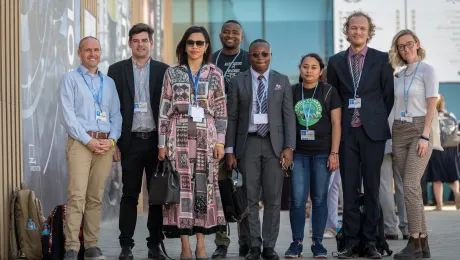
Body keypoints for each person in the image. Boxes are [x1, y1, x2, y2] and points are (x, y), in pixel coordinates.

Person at [327, 11, 394, 259]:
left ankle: (372, 241)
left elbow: (388, 97)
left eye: (362, 29)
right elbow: (333, 98)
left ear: (369, 32)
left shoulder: (382, 59)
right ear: (347, 31)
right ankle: (352, 241)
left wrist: (372, 116)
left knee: (373, 188)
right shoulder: (334, 61)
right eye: (353, 28)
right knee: (350, 188)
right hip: (346, 134)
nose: (357, 32)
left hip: (372, 133)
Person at [157, 26, 227, 260]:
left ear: (207, 46)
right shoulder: (172, 72)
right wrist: (161, 143)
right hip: (178, 138)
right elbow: (165, 109)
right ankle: (185, 245)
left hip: (206, 138)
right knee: (181, 188)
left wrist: (220, 143)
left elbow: (220, 111)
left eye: (199, 43)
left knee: (203, 187)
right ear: (184, 45)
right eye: (190, 43)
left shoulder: (215, 73)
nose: (195, 47)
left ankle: (201, 244)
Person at [226, 39, 296, 260]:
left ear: (270, 55)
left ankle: (269, 246)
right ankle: (254, 245)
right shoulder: (238, 81)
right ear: (250, 57)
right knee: (250, 198)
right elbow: (233, 116)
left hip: (275, 146)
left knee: (274, 198)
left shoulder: (282, 81)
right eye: (256, 55)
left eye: (264, 54)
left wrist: (289, 147)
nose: (260, 58)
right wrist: (229, 150)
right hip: (248, 144)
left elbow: (288, 117)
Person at [107, 23, 169, 260]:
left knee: (156, 196)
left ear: (151, 43)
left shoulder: (165, 71)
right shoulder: (116, 70)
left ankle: (154, 245)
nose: (140, 44)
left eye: (144, 40)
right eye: (136, 40)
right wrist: (115, 143)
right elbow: (112, 108)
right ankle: (126, 246)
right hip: (129, 142)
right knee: (129, 195)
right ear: (130, 43)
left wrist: (166, 143)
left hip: (156, 143)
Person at [58, 36, 122, 260]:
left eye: (96, 50)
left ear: (100, 52)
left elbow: (116, 115)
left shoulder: (109, 83)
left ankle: (92, 245)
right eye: (88, 50)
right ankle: (72, 247)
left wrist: (112, 140)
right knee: (77, 196)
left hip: (104, 145)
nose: (92, 54)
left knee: (95, 197)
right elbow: (68, 116)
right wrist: (88, 140)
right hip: (80, 144)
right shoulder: (70, 79)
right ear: (79, 53)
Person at [284, 53, 341, 258]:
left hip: (322, 153)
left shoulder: (329, 91)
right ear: (300, 68)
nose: (309, 70)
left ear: (321, 70)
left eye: (314, 67)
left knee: (319, 199)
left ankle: (318, 243)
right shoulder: (292, 91)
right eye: (305, 66)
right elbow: (286, 123)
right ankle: (296, 242)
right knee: (298, 200)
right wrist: (287, 149)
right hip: (298, 154)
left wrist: (334, 153)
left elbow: (336, 124)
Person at [389, 29, 438, 259]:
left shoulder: (428, 70)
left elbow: (431, 105)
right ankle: (424, 245)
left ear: (417, 44)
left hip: (420, 129)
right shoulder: (400, 74)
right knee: (412, 188)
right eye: (401, 46)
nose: (406, 48)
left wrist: (425, 136)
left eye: (409, 44)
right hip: (399, 130)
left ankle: (414, 241)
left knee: (409, 186)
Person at [211, 20, 251, 260]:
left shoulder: (249, 59)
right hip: (216, 133)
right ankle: (221, 242)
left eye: (235, 32)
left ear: (241, 37)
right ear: (220, 35)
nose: (230, 35)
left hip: (243, 132)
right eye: (226, 31)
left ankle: (246, 242)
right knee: (219, 190)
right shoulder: (211, 59)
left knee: (245, 189)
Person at [425, 94, 460, 210]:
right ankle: (457, 192)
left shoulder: (431, 116)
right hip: (451, 149)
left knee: (437, 178)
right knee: (453, 176)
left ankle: (439, 205)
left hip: (437, 149)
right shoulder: (451, 115)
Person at [379, 110, 409, 241]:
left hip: (383, 138)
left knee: (384, 184)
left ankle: (390, 228)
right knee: (403, 184)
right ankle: (408, 227)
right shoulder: (402, 89)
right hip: (403, 136)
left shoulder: (379, 90)